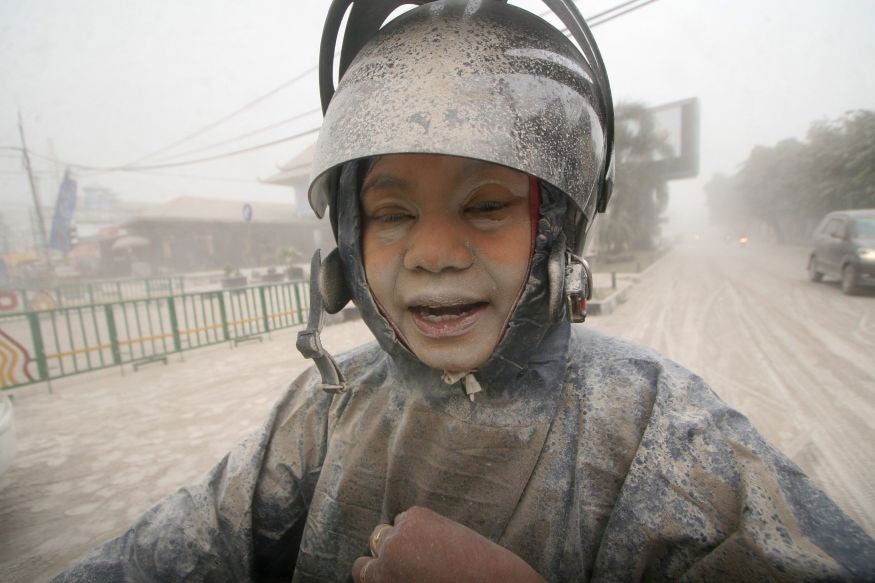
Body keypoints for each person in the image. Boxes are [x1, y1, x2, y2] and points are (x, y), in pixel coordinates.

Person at [55, 1, 875, 581]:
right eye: (390, 213)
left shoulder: (667, 432)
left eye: (485, 206)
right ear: (344, 249)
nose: (436, 252)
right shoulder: (324, 409)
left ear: (556, 233)